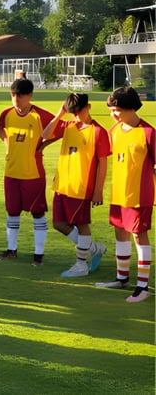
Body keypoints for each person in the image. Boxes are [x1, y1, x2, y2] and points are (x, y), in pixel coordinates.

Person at [95, 87, 154, 303]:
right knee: (120, 232)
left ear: (130, 108)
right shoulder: (115, 130)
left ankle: (143, 286)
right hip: (118, 195)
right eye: (111, 110)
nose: (113, 115)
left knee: (139, 236)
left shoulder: (148, 133)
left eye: (116, 110)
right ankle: (122, 279)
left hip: (139, 196)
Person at [41, 92, 109, 277]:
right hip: (62, 185)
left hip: (82, 186)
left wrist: (98, 191)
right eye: (73, 112)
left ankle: (81, 265)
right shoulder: (68, 126)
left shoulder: (98, 132)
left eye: (79, 112)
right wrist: (60, 113)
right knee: (58, 224)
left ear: (89, 107)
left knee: (82, 223)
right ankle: (94, 248)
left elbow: (102, 163)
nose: (76, 116)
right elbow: (45, 134)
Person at [0, 78, 54, 265]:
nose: (16, 98)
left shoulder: (40, 115)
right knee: (12, 212)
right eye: (13, 94)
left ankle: (39, 254)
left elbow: (60, 129)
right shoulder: (7, 114)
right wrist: (6, 142)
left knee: (37, 212)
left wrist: (42, 145)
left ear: (30, 96)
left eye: (19, 95)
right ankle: (11, 250)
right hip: (11, 171)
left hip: (33, 173)